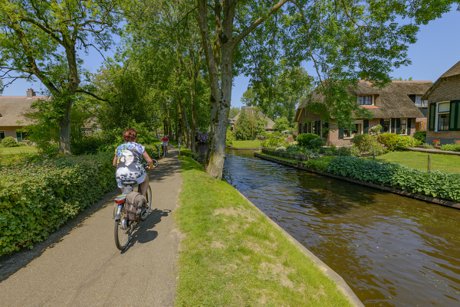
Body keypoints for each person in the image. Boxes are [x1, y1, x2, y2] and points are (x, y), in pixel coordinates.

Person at [113, 128, 154, 198]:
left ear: (124, 138)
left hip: (120, 175)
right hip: (135, 173)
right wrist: (151, 166)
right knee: (146, 178)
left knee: (124, 197)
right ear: (135, 137)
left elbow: (114, 163)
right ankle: (142, 197)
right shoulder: (139, 146)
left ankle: (122, 205)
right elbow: (149, 161)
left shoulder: (119, 148)